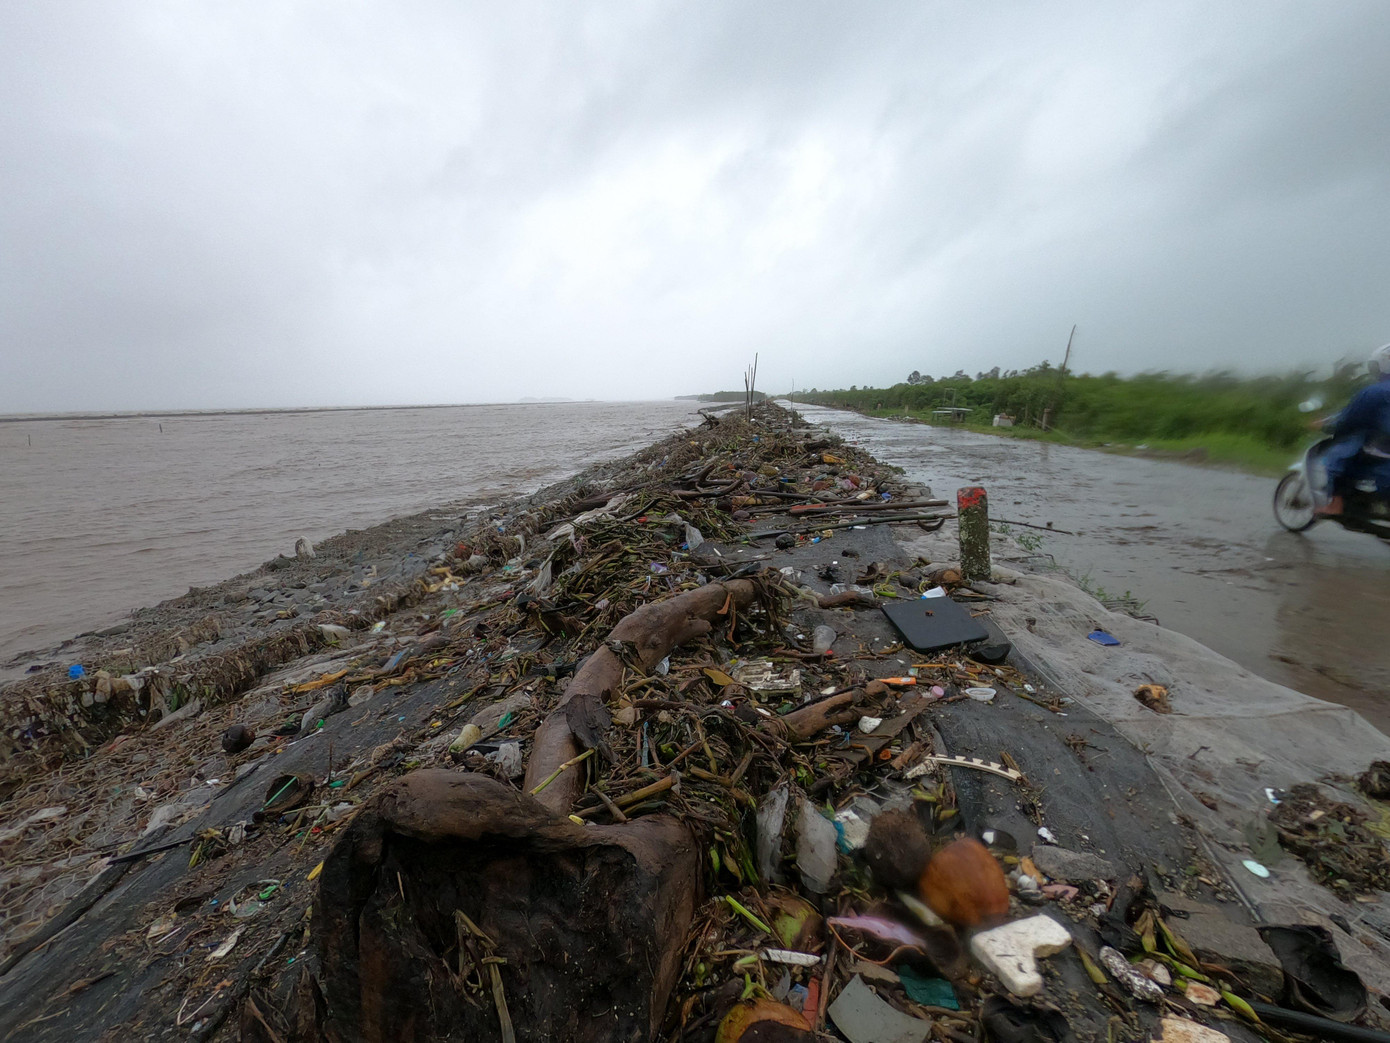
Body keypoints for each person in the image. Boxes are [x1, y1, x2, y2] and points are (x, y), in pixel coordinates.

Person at [1316, 343, 1390, 515]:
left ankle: (1336, 505)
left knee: (1340, 456)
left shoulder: (1374, 392)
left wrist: (1328, 425)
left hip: (1381, 448)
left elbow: (1349, 419)